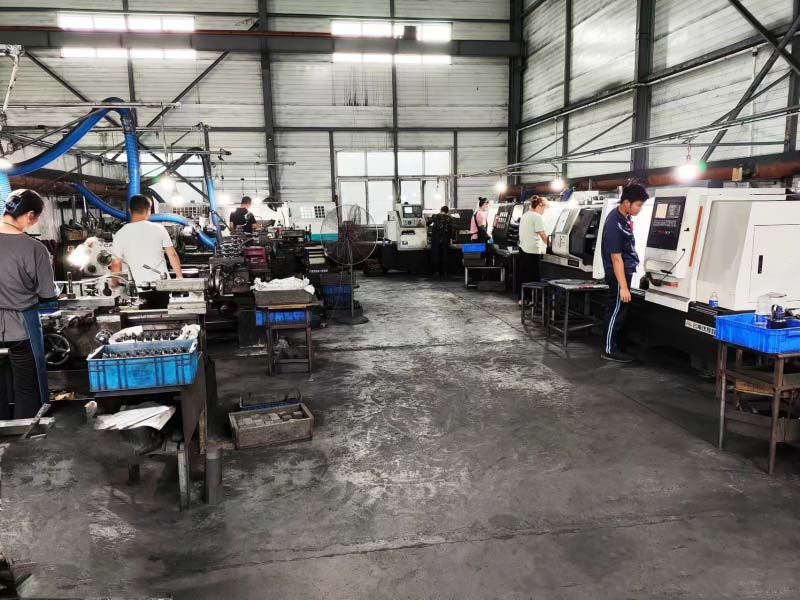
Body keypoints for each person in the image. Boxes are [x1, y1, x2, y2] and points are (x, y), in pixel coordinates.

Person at [0, 189, 57, 419]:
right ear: (31, 215)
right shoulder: (34, 248)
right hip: (20, 328)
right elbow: (46, 293)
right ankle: (26, 444)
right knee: (26, 388)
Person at [600, 183, 649, 363]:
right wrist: (623, 287)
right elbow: (616, 259)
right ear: (626, 203)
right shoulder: (614, 223)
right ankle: (608, 349)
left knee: (620, 311)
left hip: (625, 272)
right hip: (618, 274)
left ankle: (616, 345)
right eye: (638, 205)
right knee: (615, 311)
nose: (640, 209)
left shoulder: (623, 217)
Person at [111, 194, 183, 308]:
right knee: (165, 317)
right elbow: (172, 254)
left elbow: (116, 263)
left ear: (130, 210)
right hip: (162, 285)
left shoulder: (120, 234)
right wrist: (179, 278)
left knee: (145, 318)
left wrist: (114, 281)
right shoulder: (159, 229)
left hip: (140, 288)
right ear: (148, 210)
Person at [517, 196, 548, 289]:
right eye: (544, 208)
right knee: (533, 277)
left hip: (523, 248)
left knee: (524, 275)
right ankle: (532, 299)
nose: (544, 211)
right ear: (539, 206)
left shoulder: (525, 215)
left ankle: (522, 298)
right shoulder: (537, 217)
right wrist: (550, 246)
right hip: (532, 250)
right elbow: (542, 234)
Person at [428, 206, 453, 278]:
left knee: (436, 254)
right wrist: (451, 239)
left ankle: (436, 272)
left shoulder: (435, 216)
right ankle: (445, 272)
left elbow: (428, 223)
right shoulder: (449, 218)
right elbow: (451, 229)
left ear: (441, 210)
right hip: (445, 239)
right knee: (445, 255)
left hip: (436, 238)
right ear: (447, 211)